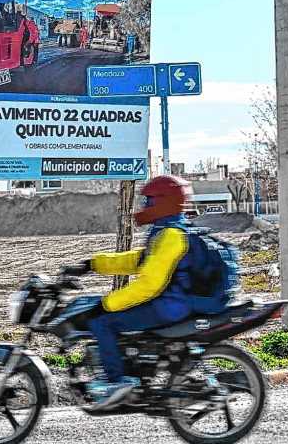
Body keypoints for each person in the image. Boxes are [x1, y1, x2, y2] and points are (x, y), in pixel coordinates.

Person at [84, 175, 196, 410]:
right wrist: (93, 264)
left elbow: (149, 284)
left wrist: (107, 304)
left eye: (149, 201)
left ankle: (117, 383)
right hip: (169, 302)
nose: (144, 207)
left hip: (169, 306)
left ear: (163, 202)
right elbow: (139, 260)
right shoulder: (166, 231)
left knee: (103, 322)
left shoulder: (172, 237)